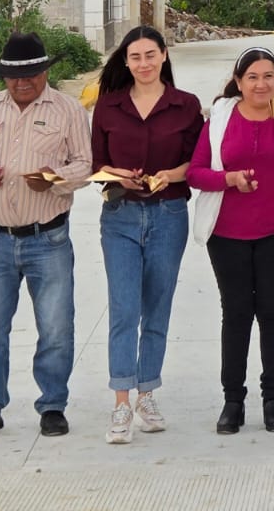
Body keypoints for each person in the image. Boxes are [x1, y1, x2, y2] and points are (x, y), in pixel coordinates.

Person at [0, 32, 92, 440]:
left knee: (56, 328)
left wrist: (53, 179)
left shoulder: (68, 110)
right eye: (13, 75)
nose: (22, 82)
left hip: (48, 239)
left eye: (30, 74)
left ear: (45, 72)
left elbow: (84, 164)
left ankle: (52, 406)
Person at [188, 46, 274, 434]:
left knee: (273, 313)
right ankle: (233, 401)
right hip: (226, 234)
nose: (261, 84)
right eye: (252, 77)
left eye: (268, 76)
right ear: (238, 81)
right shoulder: (220, 117)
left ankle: (272, 399)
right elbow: (196, 173)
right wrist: (228, 179)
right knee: (236, 314)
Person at [90, 25, 204, 443]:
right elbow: (96, 165)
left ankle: (147, 395)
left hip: (169, 215)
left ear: (164, 55)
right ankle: (121, 403)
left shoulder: (186, 105)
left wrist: (168, 175)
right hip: (119, 215)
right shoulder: (108, 106)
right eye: (135, 57)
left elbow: (196, 163)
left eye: (150, 55)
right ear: (125, 61)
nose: (144, 64)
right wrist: (117, 174)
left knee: (157, 310)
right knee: (124, 310)